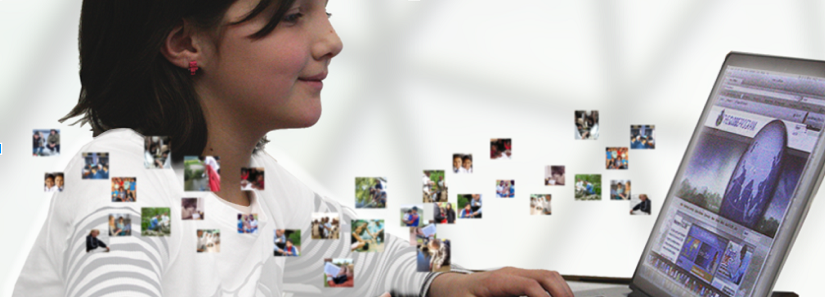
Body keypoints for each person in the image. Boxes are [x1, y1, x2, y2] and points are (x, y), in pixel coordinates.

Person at [13, 1, 574, 296]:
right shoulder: (119, 175)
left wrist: (451, 283)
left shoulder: (253, 183)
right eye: (291, 16)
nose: (332, 40)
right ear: (187, 42)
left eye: (326, 10)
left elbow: (369, 260)